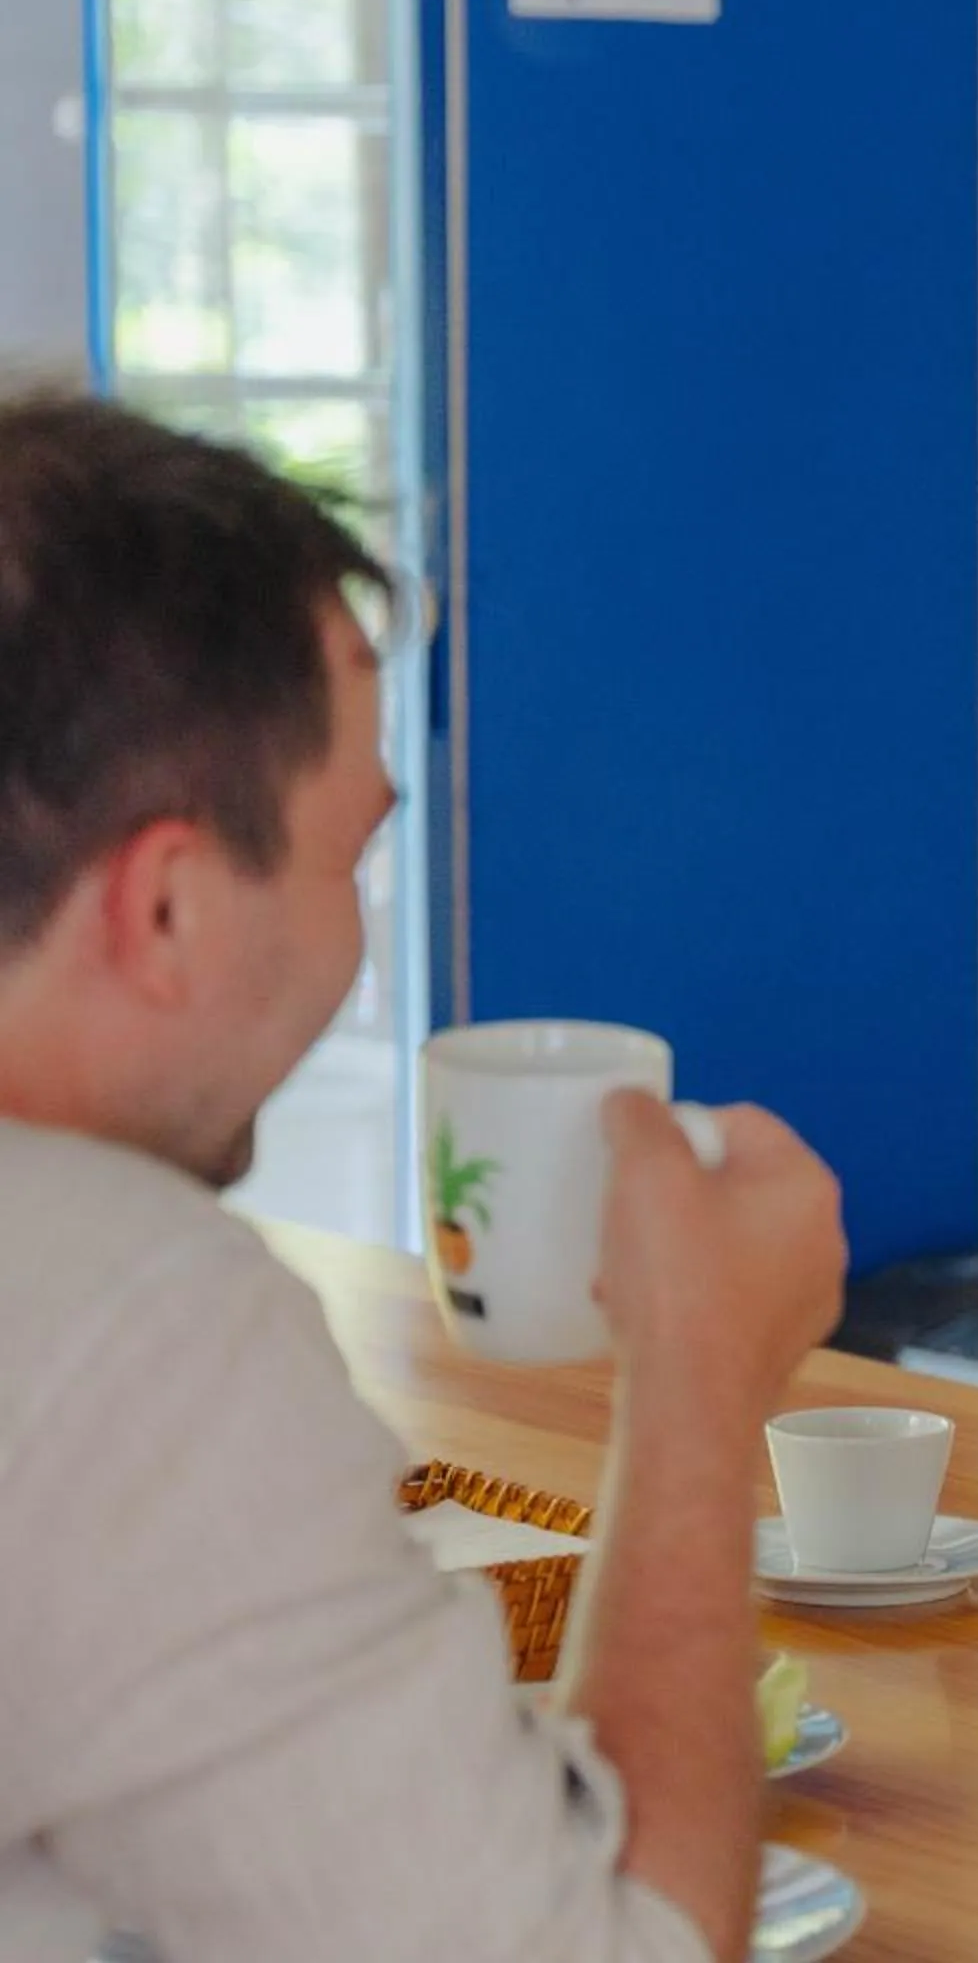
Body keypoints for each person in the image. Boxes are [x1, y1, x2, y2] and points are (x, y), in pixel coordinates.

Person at [0, 392, 845, 1959]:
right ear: (167, 909)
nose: (354, 936)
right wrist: (701, 1388)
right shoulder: (135, 1329)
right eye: (346, 859)